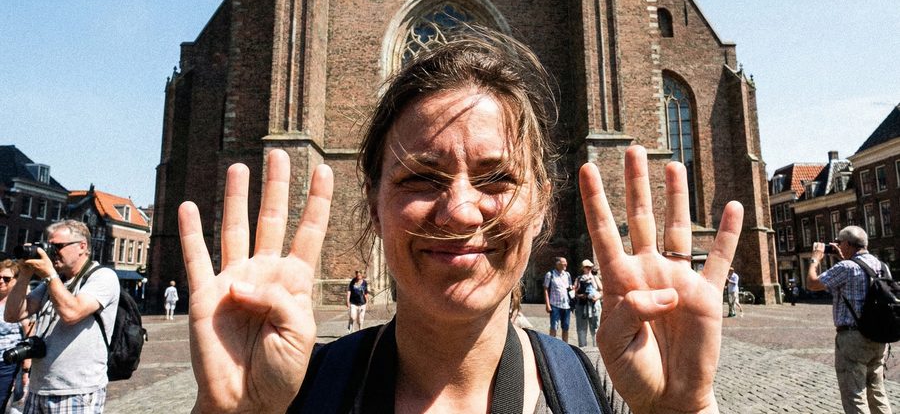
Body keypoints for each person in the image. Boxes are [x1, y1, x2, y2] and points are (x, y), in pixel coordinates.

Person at [177, 33, 744, 413]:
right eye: (421, 178)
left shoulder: (597, 396)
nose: (460, 209)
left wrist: (683, 412)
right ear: (373, 204)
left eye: (497, 178)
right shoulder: (298, 393)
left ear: (542, 204)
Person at [4, 220, 119, 414]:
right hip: (38, 388)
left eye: (57, 246)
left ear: (82, 246)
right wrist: (24, 275)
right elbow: (13, 314)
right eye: (50, 246)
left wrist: (49, 274)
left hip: (76, 391)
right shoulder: (55, 281)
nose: (52, 252)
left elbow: (71, 313)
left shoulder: (102, 277)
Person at [807, 226, 893, 414]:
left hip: (853, 339)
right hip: (879, 336)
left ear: (846, 243)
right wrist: (843, 258)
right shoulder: (882, 265)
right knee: (877, 392)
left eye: (839, 242)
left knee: (855, 396)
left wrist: (815, 259)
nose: (837, 245)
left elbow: (812, 283)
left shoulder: (845, 268)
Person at [0, 260, 28, 410]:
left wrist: (25, 371)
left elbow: (29, 337)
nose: (1, 281)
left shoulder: (20, 305)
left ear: (16, 281)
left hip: (6, 366)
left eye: (6, 279)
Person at [543, 257, 572, 343]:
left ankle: (566, 346)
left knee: (566, 327)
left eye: (566, 262)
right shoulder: (550, 274)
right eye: (564, 263)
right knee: (554, 326)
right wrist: (547, 304)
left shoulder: (567, 275)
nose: (566, 264)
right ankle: (552, 345)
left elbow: (569, 288)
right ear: (557, 264)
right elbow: (545, 289)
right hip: (555, 305)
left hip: (566, 305)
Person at [574, 259, 602, 347]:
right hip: (582, 305)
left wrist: (597, 297)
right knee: (581, 328)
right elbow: (574, 291)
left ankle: (596, 347)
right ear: (583, 268)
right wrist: (580, 295)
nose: (588, 268)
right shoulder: (579, 279)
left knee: (595, 327)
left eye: (590, 267)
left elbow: (602, 290)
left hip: (594, 305)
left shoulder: (595, 278)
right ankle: (582, 347)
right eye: (587, 267)